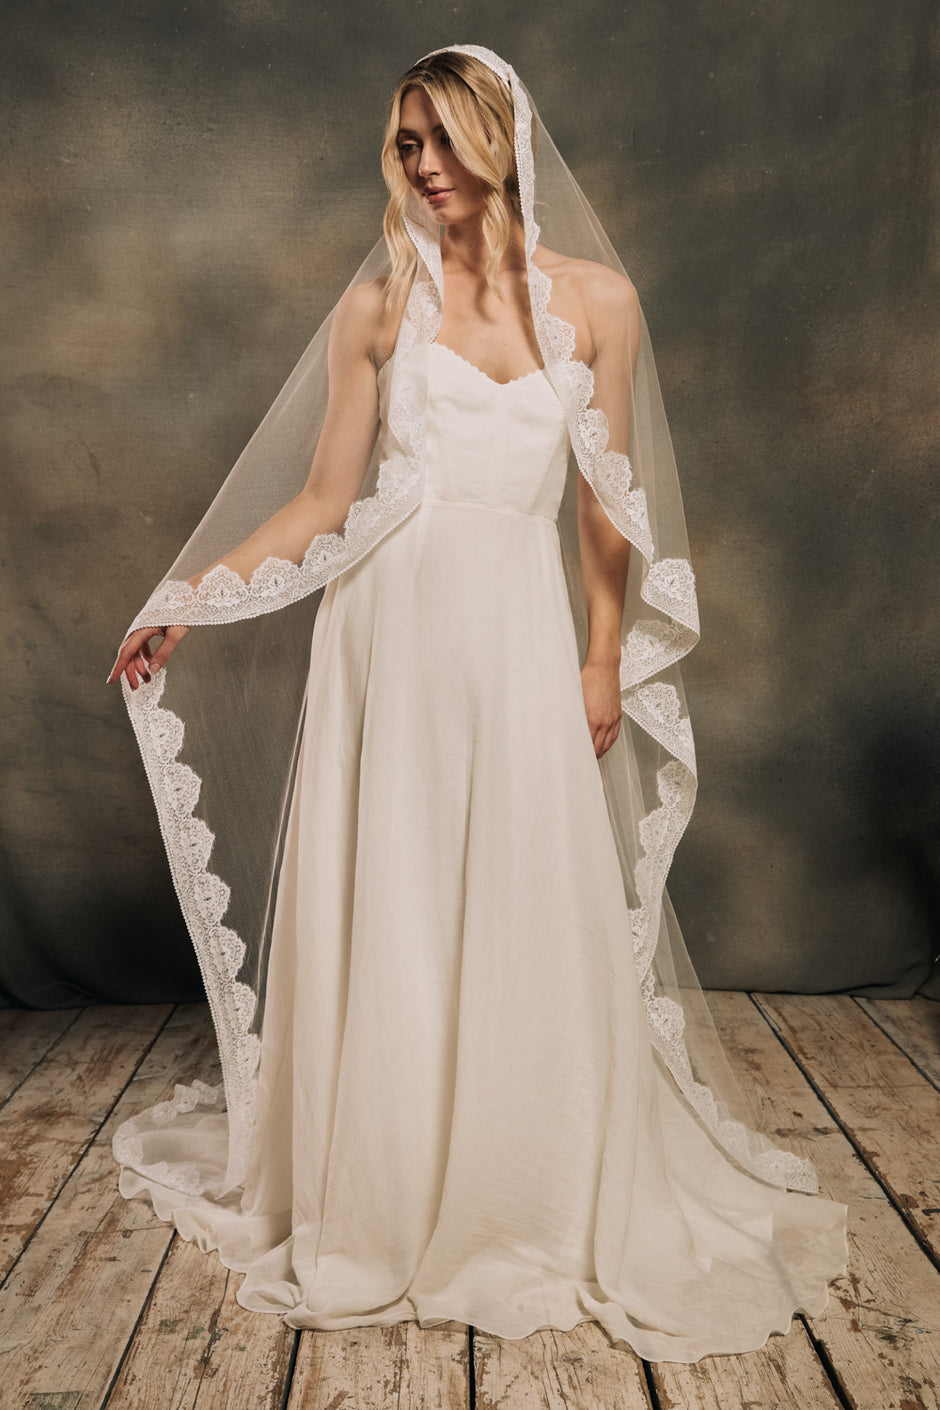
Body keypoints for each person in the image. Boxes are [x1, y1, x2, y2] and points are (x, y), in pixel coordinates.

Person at [106, 44, 848, 1362]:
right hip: (384, 639)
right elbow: (326, 501)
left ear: (503, 137)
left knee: (519, 894)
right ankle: (384, 1186)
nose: (424, 166)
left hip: (514, 637)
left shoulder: (600, 303)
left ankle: (528, 1183)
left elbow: (609, 511)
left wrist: (603, 653)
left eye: (443, 137)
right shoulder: (384, 304)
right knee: (391, 897)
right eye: (405, 145)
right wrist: (189, 594)